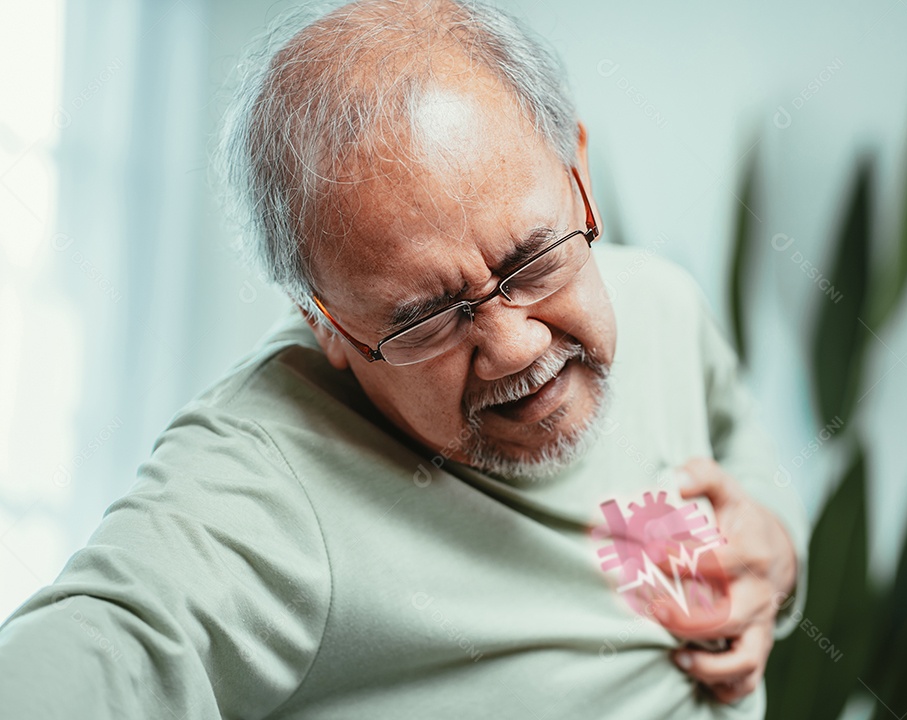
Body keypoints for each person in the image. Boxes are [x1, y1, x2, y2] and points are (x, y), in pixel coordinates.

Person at [0, 1, 807, 717]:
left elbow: (743, 455)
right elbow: (111, 640)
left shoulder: (664, 302)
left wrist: (778, 550)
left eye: (532, 260)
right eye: (426, 320)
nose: (518, 346)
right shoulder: (266, 476)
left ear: (577, 171)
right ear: (325, 324)